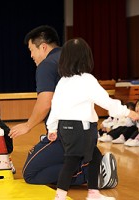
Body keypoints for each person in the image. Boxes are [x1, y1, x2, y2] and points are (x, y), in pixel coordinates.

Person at [9, 25, 117, 190]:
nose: (31, 55)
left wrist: (28, 125)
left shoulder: (46, 65)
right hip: (87, 133)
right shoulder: (71, 61)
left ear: (43, 47)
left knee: (31, 173)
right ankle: (91, 162)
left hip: (65, 135)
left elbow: (46, 102)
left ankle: (91, 171)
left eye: (32, 50)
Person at [46, 38, 139, 200]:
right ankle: (60, 196)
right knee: (72, 162)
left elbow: (55, 106)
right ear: (86, 58)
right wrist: (127, 112)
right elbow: (105, 101)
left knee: (94, 157)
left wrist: (52, 127)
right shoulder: (87, 80)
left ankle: (93, 193)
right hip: (82, 129)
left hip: (66, 128)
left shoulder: (63, 81)